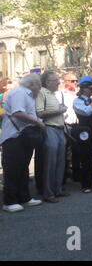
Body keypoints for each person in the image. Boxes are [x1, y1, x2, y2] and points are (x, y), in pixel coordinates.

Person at [1, 74, 44, 212]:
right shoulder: (20, 93)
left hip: (23, 136)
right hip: (14, 137)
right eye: (39, 84)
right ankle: (10, 201)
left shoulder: (27, 95)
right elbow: (18, 113)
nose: (40, 87)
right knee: (13, 169)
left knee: (23, 168)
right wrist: (37, 122)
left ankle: (24, 197)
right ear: (32, 84)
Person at [36, 71, 69, 203]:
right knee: (51, 162)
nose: (58, 82)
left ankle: (57, 190)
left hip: (59, 129)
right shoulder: (42, 92)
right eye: (56, 80)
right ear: (48, 82)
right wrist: (59, 110)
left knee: (60, 161)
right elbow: (39, 112)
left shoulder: (52, 94)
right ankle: (48, 193)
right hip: (50, 128)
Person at [73, 76, 92, 193]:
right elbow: (87, 112)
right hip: (85, 132)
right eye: (90, 88)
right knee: (86, 157)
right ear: (83, 89)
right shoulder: (77, 101)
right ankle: (86, 184)